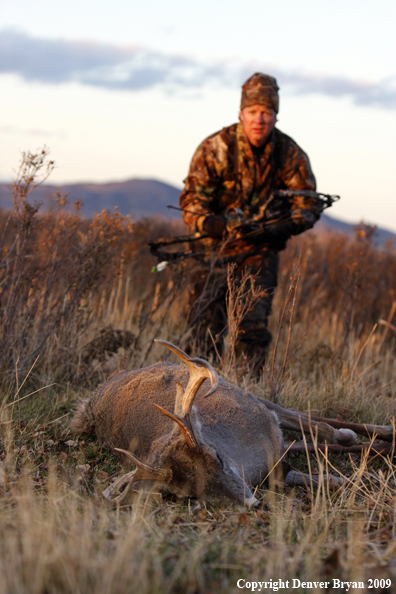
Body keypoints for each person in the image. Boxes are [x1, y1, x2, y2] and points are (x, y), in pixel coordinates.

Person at [179, 72, 320, 373]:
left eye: (267, 113)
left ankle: (248, 402)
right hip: (212, 254)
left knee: (252, 333)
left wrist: (282, 226)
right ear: (241, 113)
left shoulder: (289, 153)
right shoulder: (215, 147)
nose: (260, 120)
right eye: (253, 112)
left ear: (275, 116)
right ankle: (196, 402)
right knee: (203, 332)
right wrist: (213, 225)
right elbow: (191, 200)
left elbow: (308, 204)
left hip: (260, 255)